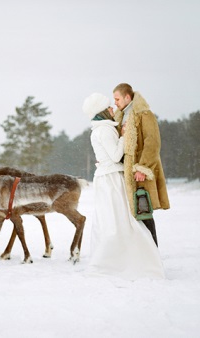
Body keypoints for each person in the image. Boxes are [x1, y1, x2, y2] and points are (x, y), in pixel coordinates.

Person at [83, 93, 165, 280]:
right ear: (103, 112)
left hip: (106, 178)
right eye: (109, 107)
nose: (113, 108)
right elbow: (115, 155)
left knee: (112, 220)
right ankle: (127, 260)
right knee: (121, 220)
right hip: (112, 179)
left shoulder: (101, 129)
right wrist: (124, 136)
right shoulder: (104, 130)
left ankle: (120, 258)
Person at [112, 83, 170, 246]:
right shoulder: (120, 116)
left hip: (139, 172)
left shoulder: (144, 114)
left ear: (127, 97)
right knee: (132, 214)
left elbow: (152, 142)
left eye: (117, 99)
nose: (115, 102)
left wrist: (143, 167)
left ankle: (153, 253)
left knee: (143, 211)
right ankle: (139, 254)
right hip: (126, 172)